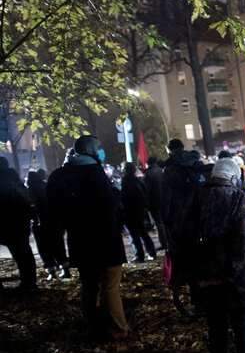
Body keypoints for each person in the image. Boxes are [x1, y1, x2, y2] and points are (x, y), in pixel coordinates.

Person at [174, 158, 245, 353]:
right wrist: (227, 274)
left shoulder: (193, 199)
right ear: (234, 178)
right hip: (236, 280)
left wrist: (195, 276)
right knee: (243, 328)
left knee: (216, 329)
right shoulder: (238, 199)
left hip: (203, 276)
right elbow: (242, 243)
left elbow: (179, 238)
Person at [46, 136, 129, 340]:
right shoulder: (94, 171)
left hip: (80, 241)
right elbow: (108, 201)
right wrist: (116, 192)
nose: (102, 151)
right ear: (90, 150)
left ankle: (93, 327)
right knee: (110, 287)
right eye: (99, 147)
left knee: (89, 286)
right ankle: (118, 330)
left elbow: (55, 210)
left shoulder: (60, 175)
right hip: (105, 240)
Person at [0, 157, 37, 290]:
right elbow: (26, 200)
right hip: (20, 222)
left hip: (8, 223)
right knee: (24, 253)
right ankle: (30, 281)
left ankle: (28, 283)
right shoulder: (15, 180)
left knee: (20, 253)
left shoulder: (6, 181)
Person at [27, 168, 69, 280]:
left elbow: (31, 208)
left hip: (39, 225)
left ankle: (51, 272)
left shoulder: (29, 191)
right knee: (58, 246)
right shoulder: (47, 187)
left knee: (44, 249)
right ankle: (65, 268)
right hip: (53, 222)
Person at [120, 162, 156, 263]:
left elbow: (122, 197)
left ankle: (140, 255)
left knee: (134, 234)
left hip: (129, 212)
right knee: (143, 233)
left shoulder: (124, 182)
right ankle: (151, 252)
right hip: (139, 211)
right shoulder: (139, 181)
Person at [144, 158, 168, 250]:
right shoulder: (162, 171)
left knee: (159, 223)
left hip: (154, 202)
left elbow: (147, 190)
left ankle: (164, 243)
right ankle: (168, 241)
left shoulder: (149, 173)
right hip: (165, 200)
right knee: (165, 222)